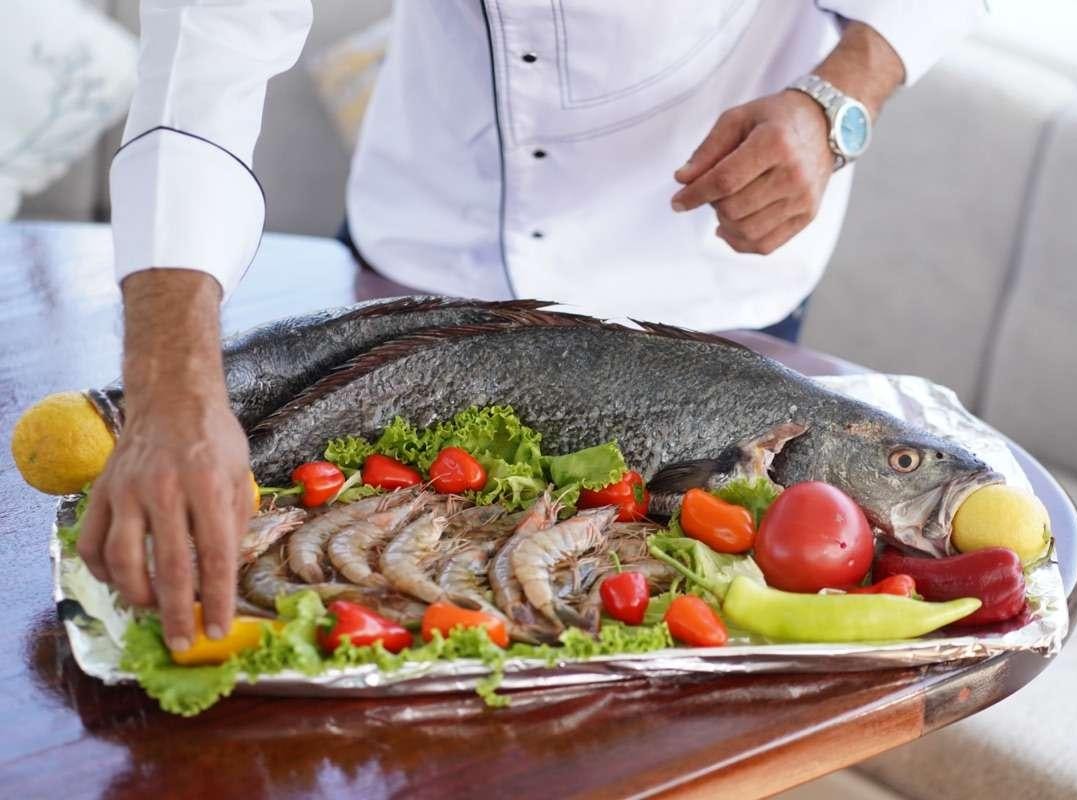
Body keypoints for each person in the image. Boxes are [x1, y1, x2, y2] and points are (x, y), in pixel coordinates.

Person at [79, 1, 984, 652]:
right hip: (432, 234)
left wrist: (837, 102)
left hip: (708, 256)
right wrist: (170, 386)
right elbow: (206, 52)